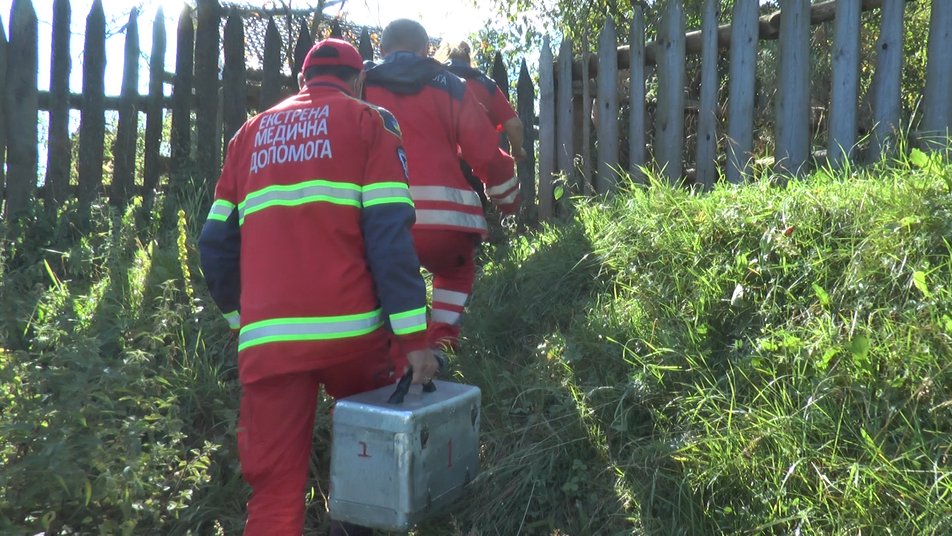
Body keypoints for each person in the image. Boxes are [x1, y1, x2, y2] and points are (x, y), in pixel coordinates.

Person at [198, 38, 439, 536]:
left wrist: (242, 324)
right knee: (372, 461)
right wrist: (414, 340)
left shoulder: (248, 135)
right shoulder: (369, 122)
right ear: (357, 82)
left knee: (273, 493)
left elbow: (214, 245)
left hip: (269, 344)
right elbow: (389, 237)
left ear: (303, 80)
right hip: (352, 335)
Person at [362, 19, 520, 353]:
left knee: (376, 278)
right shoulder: (451, 84)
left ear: (381, 49)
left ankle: (391, 350)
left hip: (378, 222)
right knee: (455, 273)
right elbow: (486, 154)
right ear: (426, 50)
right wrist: (507, 199)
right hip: (445, 222)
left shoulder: (361, 84)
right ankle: (441, 341)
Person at [435, 40, 526, 161]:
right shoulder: (485, 84)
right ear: (469, 57)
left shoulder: (429, 81)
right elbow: (515, 126)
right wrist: (517, 150)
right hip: (477, 165)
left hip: (435, 164)